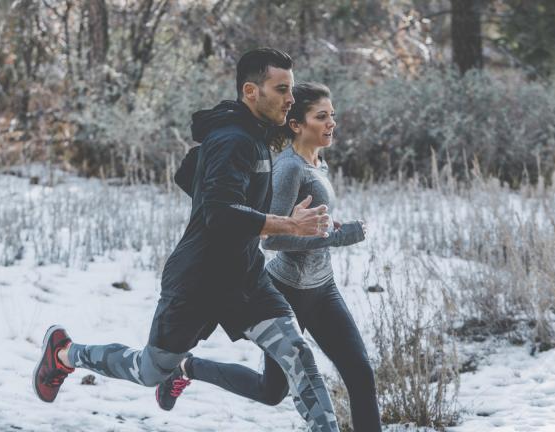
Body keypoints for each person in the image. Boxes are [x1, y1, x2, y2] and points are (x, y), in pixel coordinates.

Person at [32, 48, 340, 432]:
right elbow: (220, 213)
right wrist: (287, 225)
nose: (291, 99)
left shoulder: (252, 131)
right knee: (148, 370)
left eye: (291, 90)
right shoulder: (233, 139)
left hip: (245, 278)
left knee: (297, 354)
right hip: (197, 282)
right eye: (282, 90)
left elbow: (188, 174)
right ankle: (64, 354)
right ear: (251, 91)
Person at [181, 82, 382, 431]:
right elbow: (271, 239)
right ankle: (187, 368)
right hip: (286, 291)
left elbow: (308, 221)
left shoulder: (320, 162)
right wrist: (337, 236)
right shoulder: (289, 168)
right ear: (296, 125)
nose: (331, 123)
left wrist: (326, 224)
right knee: (272, 391)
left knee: (360, 374)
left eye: (332, 115)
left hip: (324, 288)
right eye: (321, 117)